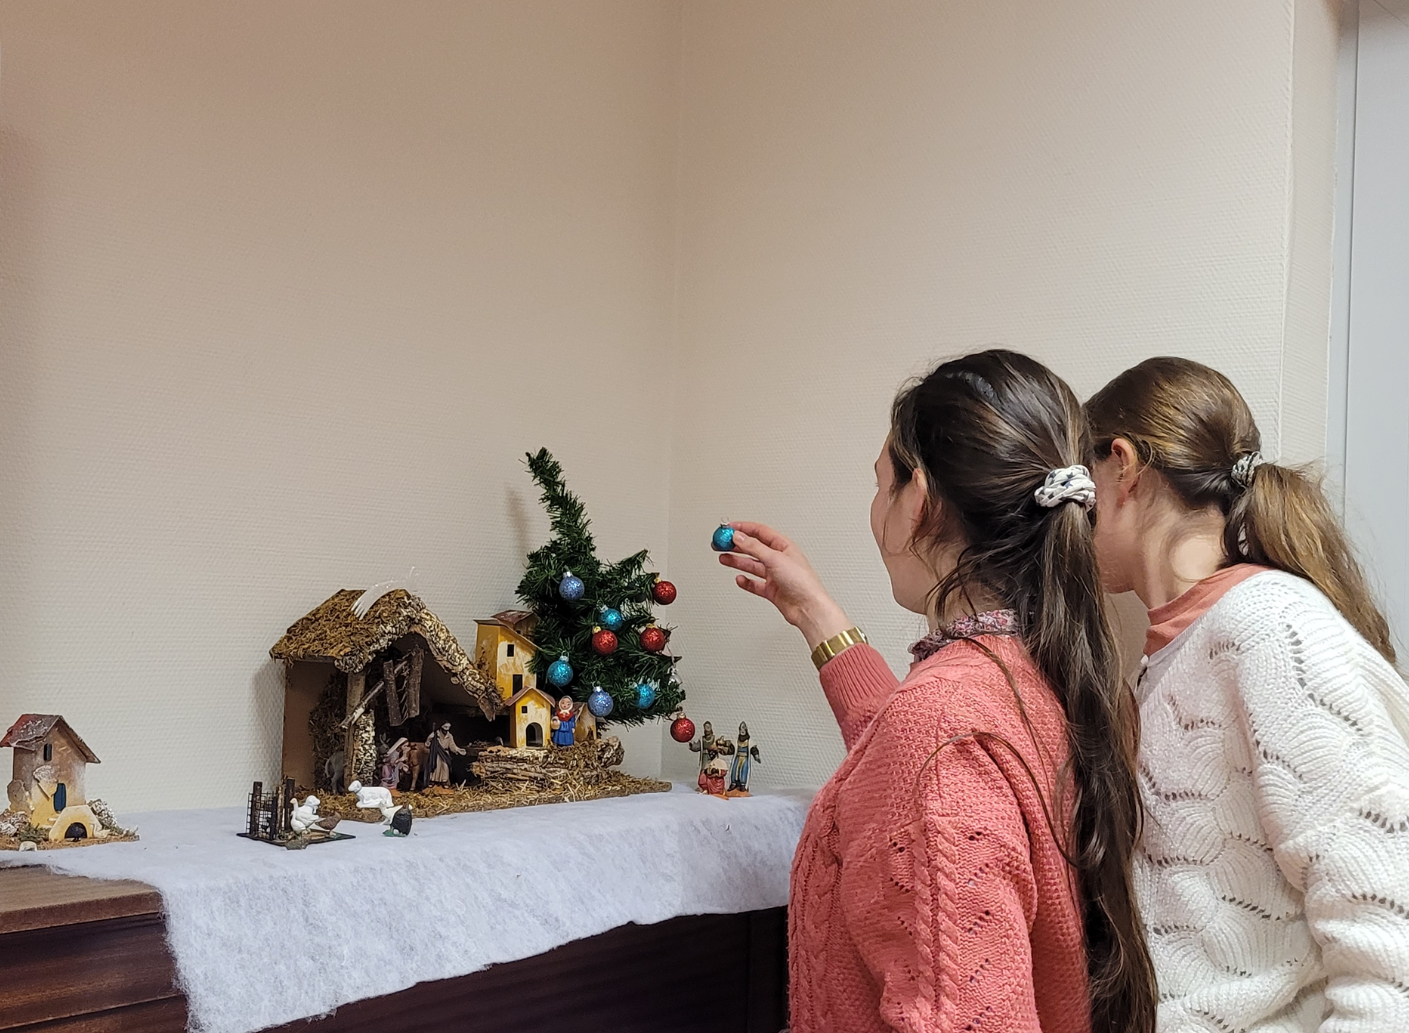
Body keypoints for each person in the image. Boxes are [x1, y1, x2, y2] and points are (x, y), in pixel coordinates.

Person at [719, 350, 1156, 1033]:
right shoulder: (1051, 679)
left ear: (917, 500)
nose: (876, 509)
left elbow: (930, 764)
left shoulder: (943, 725)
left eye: (881, 483)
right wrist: (814, 614)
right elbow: (915, 779)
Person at [1084, 357, 1409, 1032]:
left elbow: (1391, 952)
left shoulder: (1271, 632)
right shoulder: (1172, 653)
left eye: (1080, 481)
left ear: (1121, 466)